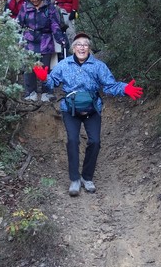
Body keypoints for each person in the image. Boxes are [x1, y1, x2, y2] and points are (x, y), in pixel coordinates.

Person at [33, 33, 144, 196]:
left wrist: (124, 88)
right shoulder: (64, 65)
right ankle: (74, 179)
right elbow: (52, 82)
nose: (82, 47)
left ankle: (87, 177)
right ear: (73, 48)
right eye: (78, 44)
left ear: (89, 48)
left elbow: (110, 85)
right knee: (72, 140)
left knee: (95, 141)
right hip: (70, 109)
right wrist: (44, 79)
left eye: (85, 44)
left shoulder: (98, 66)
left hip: (92, 108)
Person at [17, 0, 68, 102]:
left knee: (45, 67)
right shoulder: (25, 7)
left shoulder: (50, 8)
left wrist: (60, 39)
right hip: (29, 40)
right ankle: (31, 92)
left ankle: (47, 92)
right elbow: (19, 23)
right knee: (29, 67)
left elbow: (55, 25)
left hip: (46, 40)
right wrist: (15, 37)